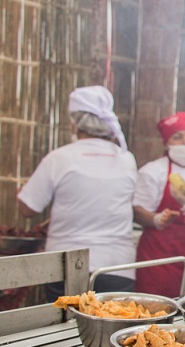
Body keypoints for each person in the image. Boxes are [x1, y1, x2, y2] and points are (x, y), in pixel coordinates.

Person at [18, 85, 138, 301]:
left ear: (75, 122)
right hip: (118, 267)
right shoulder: (126, 159)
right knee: (112, 331)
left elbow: (28, 208)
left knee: (66, 332)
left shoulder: (60, 158)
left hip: (66, 268)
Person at [132, 112, 185, 297]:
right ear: (166, 143)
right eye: (177, 137)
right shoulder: (153, 172)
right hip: (159, 259)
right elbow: (137, 211)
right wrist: (156, 219)